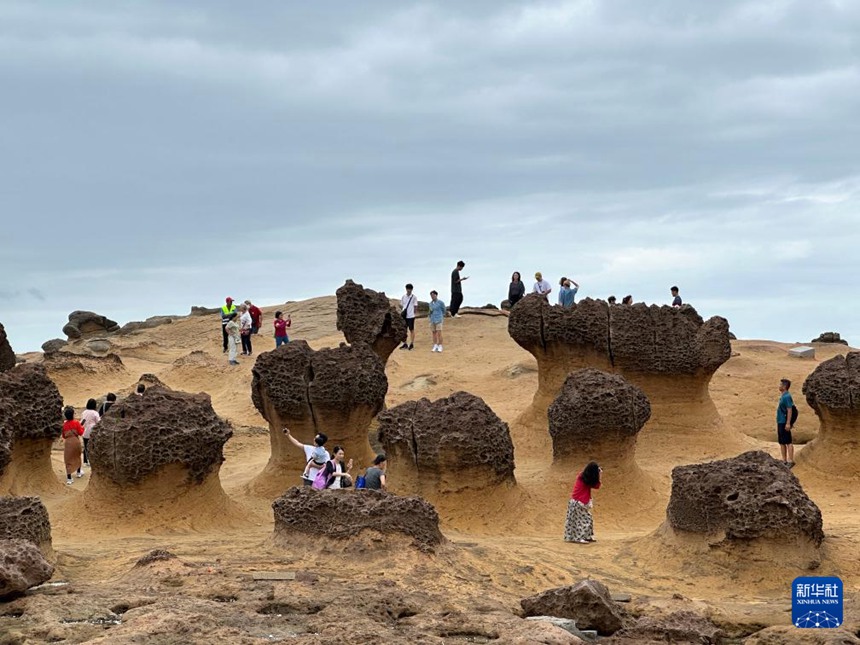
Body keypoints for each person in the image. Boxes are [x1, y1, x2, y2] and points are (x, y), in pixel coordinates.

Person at [564, 461, 602, 544]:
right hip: (578, 502)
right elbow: (596, 485)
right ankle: (579, 537)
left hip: (579, 502)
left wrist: (599, 475)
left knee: (587, 519)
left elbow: (596, 486)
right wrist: (598, 474)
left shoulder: (585, 477)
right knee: (582, 521)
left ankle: (586, 536)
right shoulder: (582, 477)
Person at [61, 406, 84, 485]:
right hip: (76, 441)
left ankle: (69, 478)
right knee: (77, 456)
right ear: (73, 415)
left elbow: (63, 435)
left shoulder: (64, 425)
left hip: (68, 443)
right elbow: (81, 433)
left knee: (68, 459)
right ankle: (78, 473)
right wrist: (82, 427)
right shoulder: (76, 422)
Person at [777, 378, 795, 466]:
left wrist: (788, 423)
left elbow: (789, 410)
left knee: (788, 441)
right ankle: (784, 460)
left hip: (784, 421)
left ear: (784, 387)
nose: (779, 386)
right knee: (782, 442)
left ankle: (790, 461)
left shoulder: (787, 396)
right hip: (780, 421)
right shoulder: (783, 396)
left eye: (780, 385)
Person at [80, 398, 100, 467]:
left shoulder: (84, 412)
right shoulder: (95, 413)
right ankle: (92, 460)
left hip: (85, 432)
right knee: (93, 446)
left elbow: (82, 422)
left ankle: (85, 460)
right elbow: (98, 422)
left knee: (85, 446)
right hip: (93, 431)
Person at [399, 283, 417, 350]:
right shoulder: (403, 297)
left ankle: (412, 343)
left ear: (412, 289)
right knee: (404, 330)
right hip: (404, 316)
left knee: (411, 329)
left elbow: (415, 306)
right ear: (406, 289)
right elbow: (402, 305)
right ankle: (405, 343)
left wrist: (414, 314)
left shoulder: (414, 297)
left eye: (410, 289)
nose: (408, 290)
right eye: (407, 289)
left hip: (411, 316)